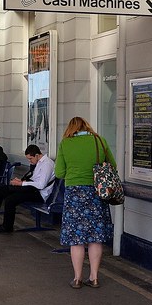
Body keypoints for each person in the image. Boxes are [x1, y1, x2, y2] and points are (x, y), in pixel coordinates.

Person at [54, 116, 115, 289]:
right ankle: (94, 277)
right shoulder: (99, 140)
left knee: (76, 239)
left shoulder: (65, 144)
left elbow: (59, 173)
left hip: (74, 194)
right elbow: (113, 165)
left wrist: (74, 173)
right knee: (96, 238)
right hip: (96, 193)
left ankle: (77, 278)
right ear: (87, 126)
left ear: (70, 128)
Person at [0, 144, 54, 233]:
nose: (30, 161)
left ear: (37, 155)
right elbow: (34, 179)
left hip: (39, 194)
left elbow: (41, 185)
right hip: (31, 189)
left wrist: (21, 183)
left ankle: (7, 227)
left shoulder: (47, 164)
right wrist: (21, 181)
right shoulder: (39, 162)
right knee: (0, 190)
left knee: (10, 199)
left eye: (30, 159)